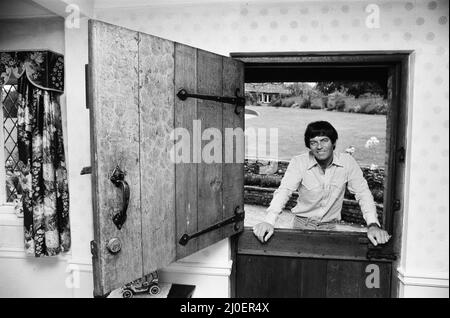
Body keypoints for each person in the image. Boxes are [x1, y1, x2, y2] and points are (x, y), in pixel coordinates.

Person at [253, 121, 391, 246]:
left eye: (324, 140)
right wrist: (269, 221)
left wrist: (373, 224)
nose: (319, 146)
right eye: (313, 142)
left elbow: (363, 193)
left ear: (333, 143)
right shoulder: (299, 162)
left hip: (330, 229)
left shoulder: (347, 162)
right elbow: (284, 191)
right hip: (301, 227)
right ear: (309, 146)